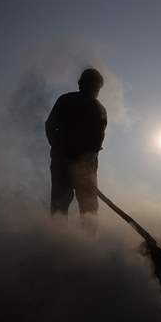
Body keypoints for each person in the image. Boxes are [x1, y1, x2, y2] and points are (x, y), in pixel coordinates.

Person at [45, 68, 107, 232]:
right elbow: (50, 127)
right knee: (61, 204)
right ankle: (59, 244)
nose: (95, 91)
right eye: (94, 86)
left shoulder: (99, 110)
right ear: (82, 84)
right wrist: (60, 150)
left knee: (88, 207)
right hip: (62, 163)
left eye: (97, 88)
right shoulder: (66, 101)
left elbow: (96, 142)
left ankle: (88, 246)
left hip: (86, 166)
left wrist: (84, 162)